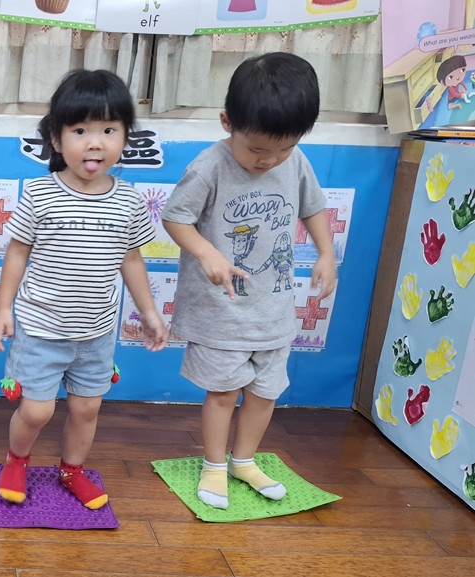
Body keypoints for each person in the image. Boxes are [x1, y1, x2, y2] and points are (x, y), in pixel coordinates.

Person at [160, 52, 337, 510]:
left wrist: (326, 253)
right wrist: (206, 251)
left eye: (283, 149)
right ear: (227, 122)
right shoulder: (209, 166)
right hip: (221, 310)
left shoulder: (294, 162)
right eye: (257, 150)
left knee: (265, 392)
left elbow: (313, 207)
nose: (269, 160)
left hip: (272, 311)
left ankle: (244, 461)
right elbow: (175, 218)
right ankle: (215, 466)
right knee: (223, 392)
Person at [0, 69, 168, 510]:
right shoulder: (39, 194)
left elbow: (131, 260)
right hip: (41, 329)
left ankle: (72, 470)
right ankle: (17, 460)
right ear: (56, 138)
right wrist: (3, 308)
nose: (95, 143)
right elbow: (17, 253)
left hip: (96, 332)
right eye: (81, 131)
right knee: (37, 411)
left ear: (125, 137)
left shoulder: (129, 201)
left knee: (87, 409)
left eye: (109, 130)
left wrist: (149, 312)